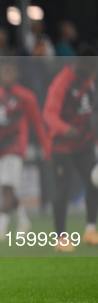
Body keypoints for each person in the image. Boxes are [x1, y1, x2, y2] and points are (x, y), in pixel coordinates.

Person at [0, 60, 51, 238]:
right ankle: (24, 221)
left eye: (10, 72)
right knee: (8, 187)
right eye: (3, 72)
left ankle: (0, 229)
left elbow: (38, 124)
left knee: (7, 187)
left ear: (17, 75)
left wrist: (47, 148)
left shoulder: (26, 96)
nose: (6, 75)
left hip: (16, 147)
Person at [43, 45, 98, 251]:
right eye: (91, 65)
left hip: (85, 143)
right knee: (62, 191)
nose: (93, 70)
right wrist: (65, 129)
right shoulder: (62, 83)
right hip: (63, 145)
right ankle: (61, 238)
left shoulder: (90, 80)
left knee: (94, 183)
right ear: (80, 63)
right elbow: (48, 114)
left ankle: (91, 230)